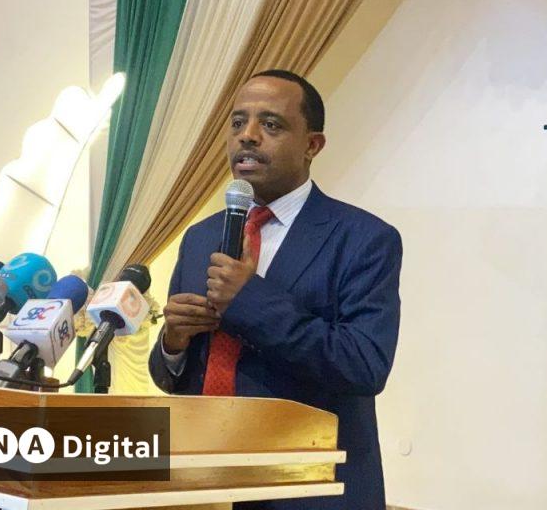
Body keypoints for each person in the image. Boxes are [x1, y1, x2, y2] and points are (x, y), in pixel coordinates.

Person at [148, 69, 402, 509]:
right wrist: (174, 341)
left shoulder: (363, 238)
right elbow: (174, 378)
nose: (247, 136)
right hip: (202, 485)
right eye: (237, 122)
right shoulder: (200, 237)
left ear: (312, 145)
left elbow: (364, 365)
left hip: (309, 490)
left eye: (270, 124)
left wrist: (247, 299)